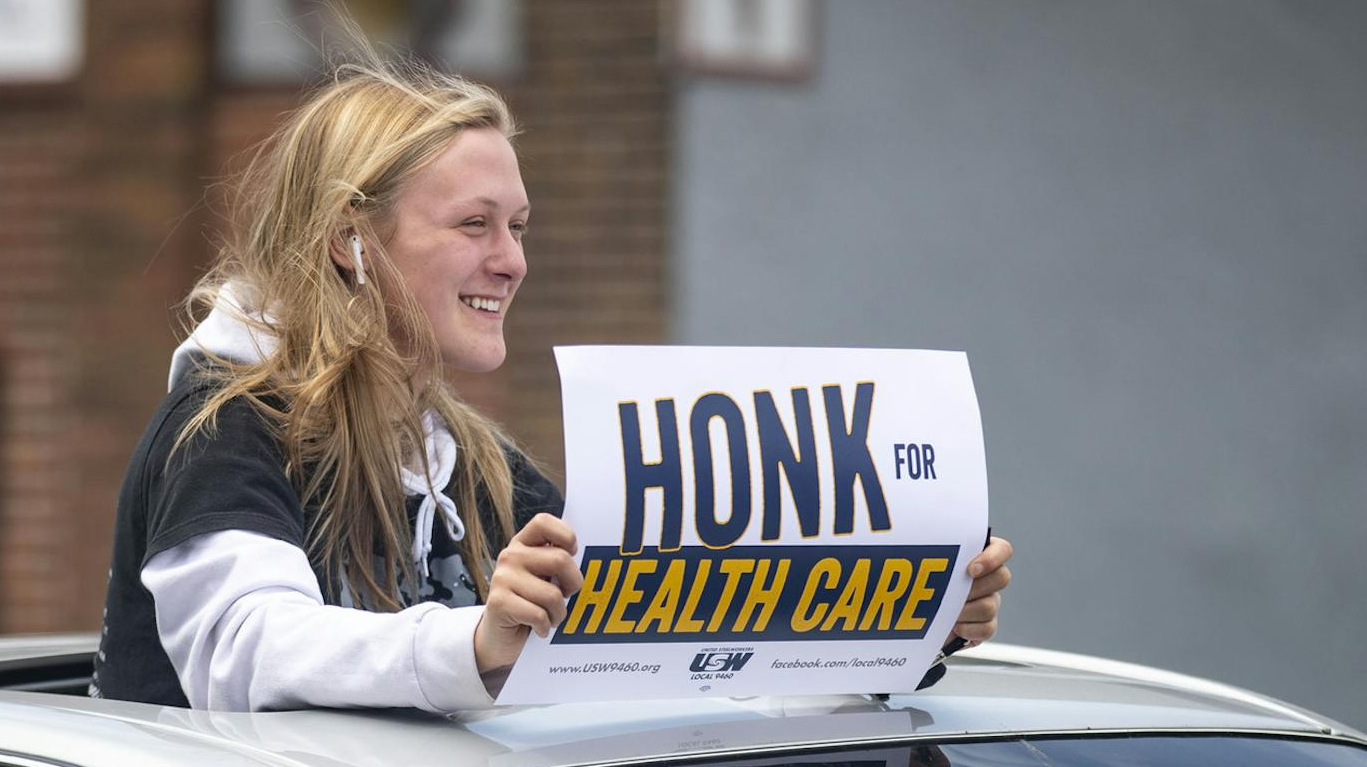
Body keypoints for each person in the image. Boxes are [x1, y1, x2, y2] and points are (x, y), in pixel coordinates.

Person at [89, 47, 1014, 713]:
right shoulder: (225, 418)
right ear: (348, 238)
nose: (511, 262)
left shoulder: (477, 465)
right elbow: (246, 655)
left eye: (519, 227)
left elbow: (670, 668)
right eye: (474, 225)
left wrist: (900, 629)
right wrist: (478, 644)